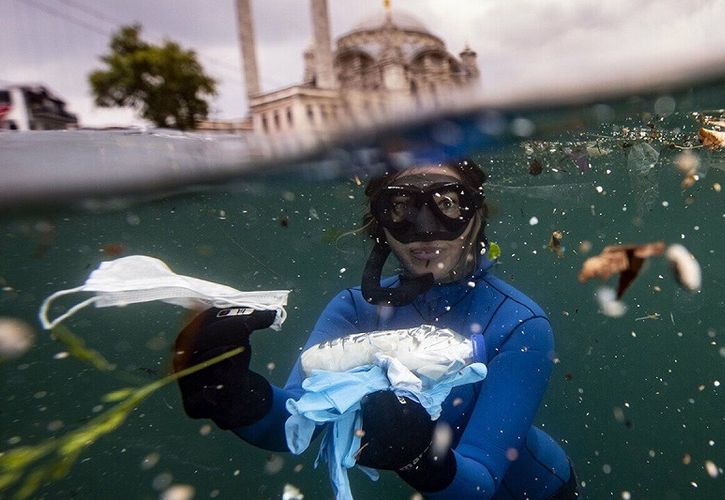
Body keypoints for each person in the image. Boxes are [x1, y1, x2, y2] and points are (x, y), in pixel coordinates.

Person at [172, 159, 579, 499]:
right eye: (401, 207)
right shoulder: (353, 308)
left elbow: (483, 483)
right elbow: (295, 423)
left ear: (475, 216)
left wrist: (420, 457)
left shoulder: (519, 323)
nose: (424, 229)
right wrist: (238, 395)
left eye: (447, 203)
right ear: (380, 224)